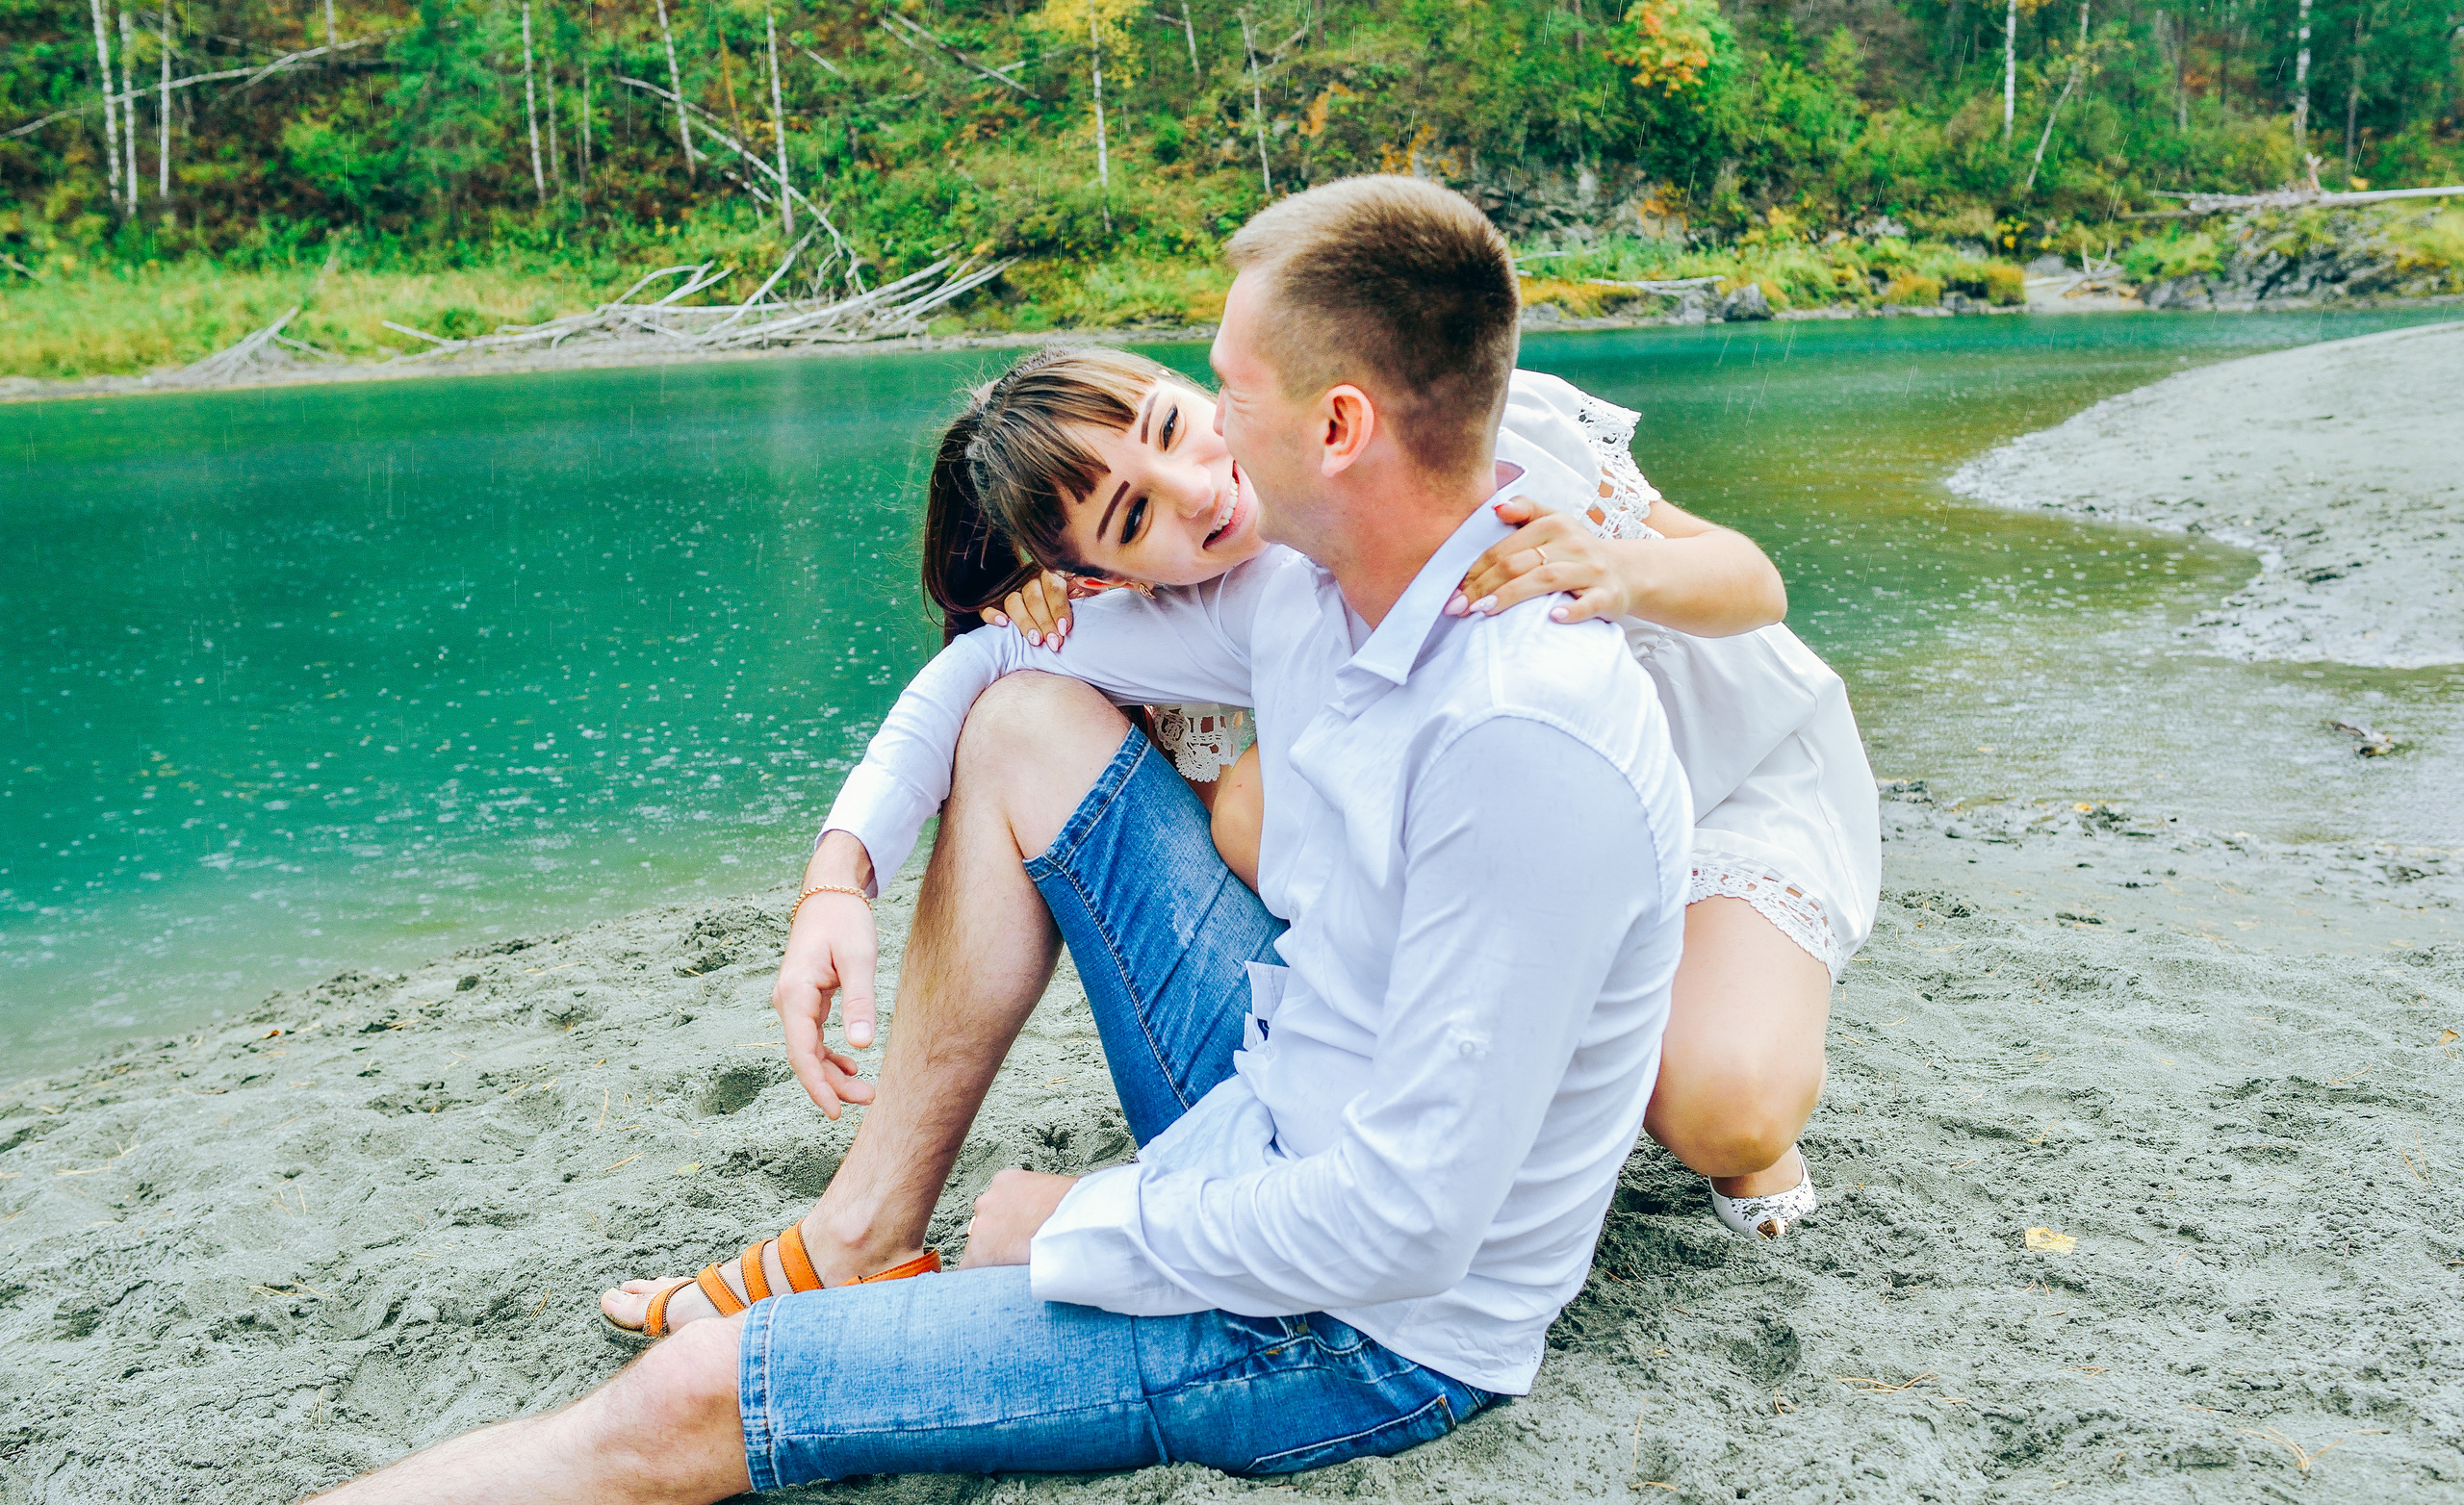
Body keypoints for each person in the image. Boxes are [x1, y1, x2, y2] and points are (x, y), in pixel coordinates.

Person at [314, 174, 1691, 1501]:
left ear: (1337, 427)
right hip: (1278, 1092)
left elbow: (1410, 1225)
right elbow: (986, 670)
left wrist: (1088, 1223)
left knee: (694, 1395)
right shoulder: (1312, 592)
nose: (1212, 421)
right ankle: (864, 1228)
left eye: (1231, 389)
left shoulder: (1523, 738)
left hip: (1358, 1330)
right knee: (1034, 716)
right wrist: (838, 873)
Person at [955, 357, 1879, 1239]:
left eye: (1169, 426)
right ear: (1113, 576)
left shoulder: (1440, 440)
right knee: (1246, 806)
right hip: (1523, 836)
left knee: (1731, 1110)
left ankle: (1727, 1077)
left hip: (1712, 779)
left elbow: (1756, 582)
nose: (1192, 487)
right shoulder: (1206, 607)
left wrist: (1618, 567)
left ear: (1201, 387)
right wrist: (1048, 615)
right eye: (1131, 517)